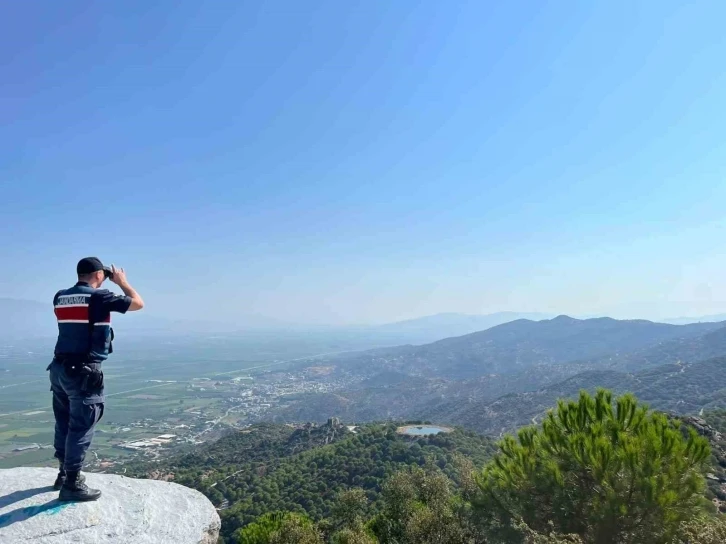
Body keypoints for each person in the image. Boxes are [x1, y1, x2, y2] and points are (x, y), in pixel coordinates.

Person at [48, 257, 144, 501]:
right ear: (99, 274)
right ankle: (72, 483)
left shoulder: (60, 296)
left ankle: (62, 473)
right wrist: (123, 282)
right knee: (81, 426)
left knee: (64, 422)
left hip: (59, 369)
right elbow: (138, 304)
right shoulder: (99, 298)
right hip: (83, 372)